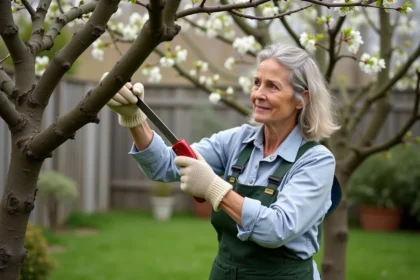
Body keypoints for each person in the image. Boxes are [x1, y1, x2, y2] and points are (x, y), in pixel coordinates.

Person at [103, 43, 342, 280]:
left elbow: (277, 229)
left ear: (302, 98)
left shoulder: (316, 161)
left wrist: (213, 188)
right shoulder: (237, 141)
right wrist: (134, 118)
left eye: (272, 86)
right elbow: (164, 166)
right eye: (257, 83)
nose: (258, 94)